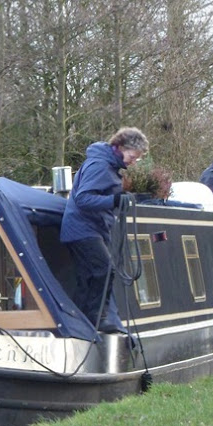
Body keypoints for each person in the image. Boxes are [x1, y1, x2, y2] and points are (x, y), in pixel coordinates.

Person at [60, 126, 149, 333]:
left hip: (89, 228)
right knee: (104, 270)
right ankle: (96, 320)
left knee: (87, 277)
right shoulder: (100, 165)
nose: (133, 161)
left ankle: (80, 323)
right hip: (82, 228)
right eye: (132, 156)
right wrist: (115, 200)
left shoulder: (108, 165)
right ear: (119, 147)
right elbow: (83, 198)